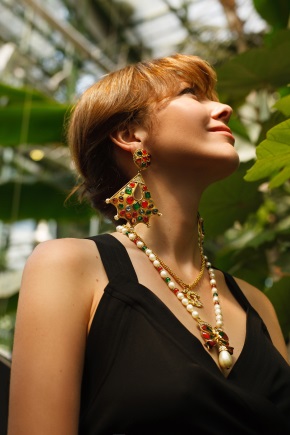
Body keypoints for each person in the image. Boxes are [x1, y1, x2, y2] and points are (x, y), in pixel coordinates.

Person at [7, 53, 290, 435]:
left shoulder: (257, 304)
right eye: (192, 94)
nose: (223, 108)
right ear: (129, 135)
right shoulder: (69, 267)